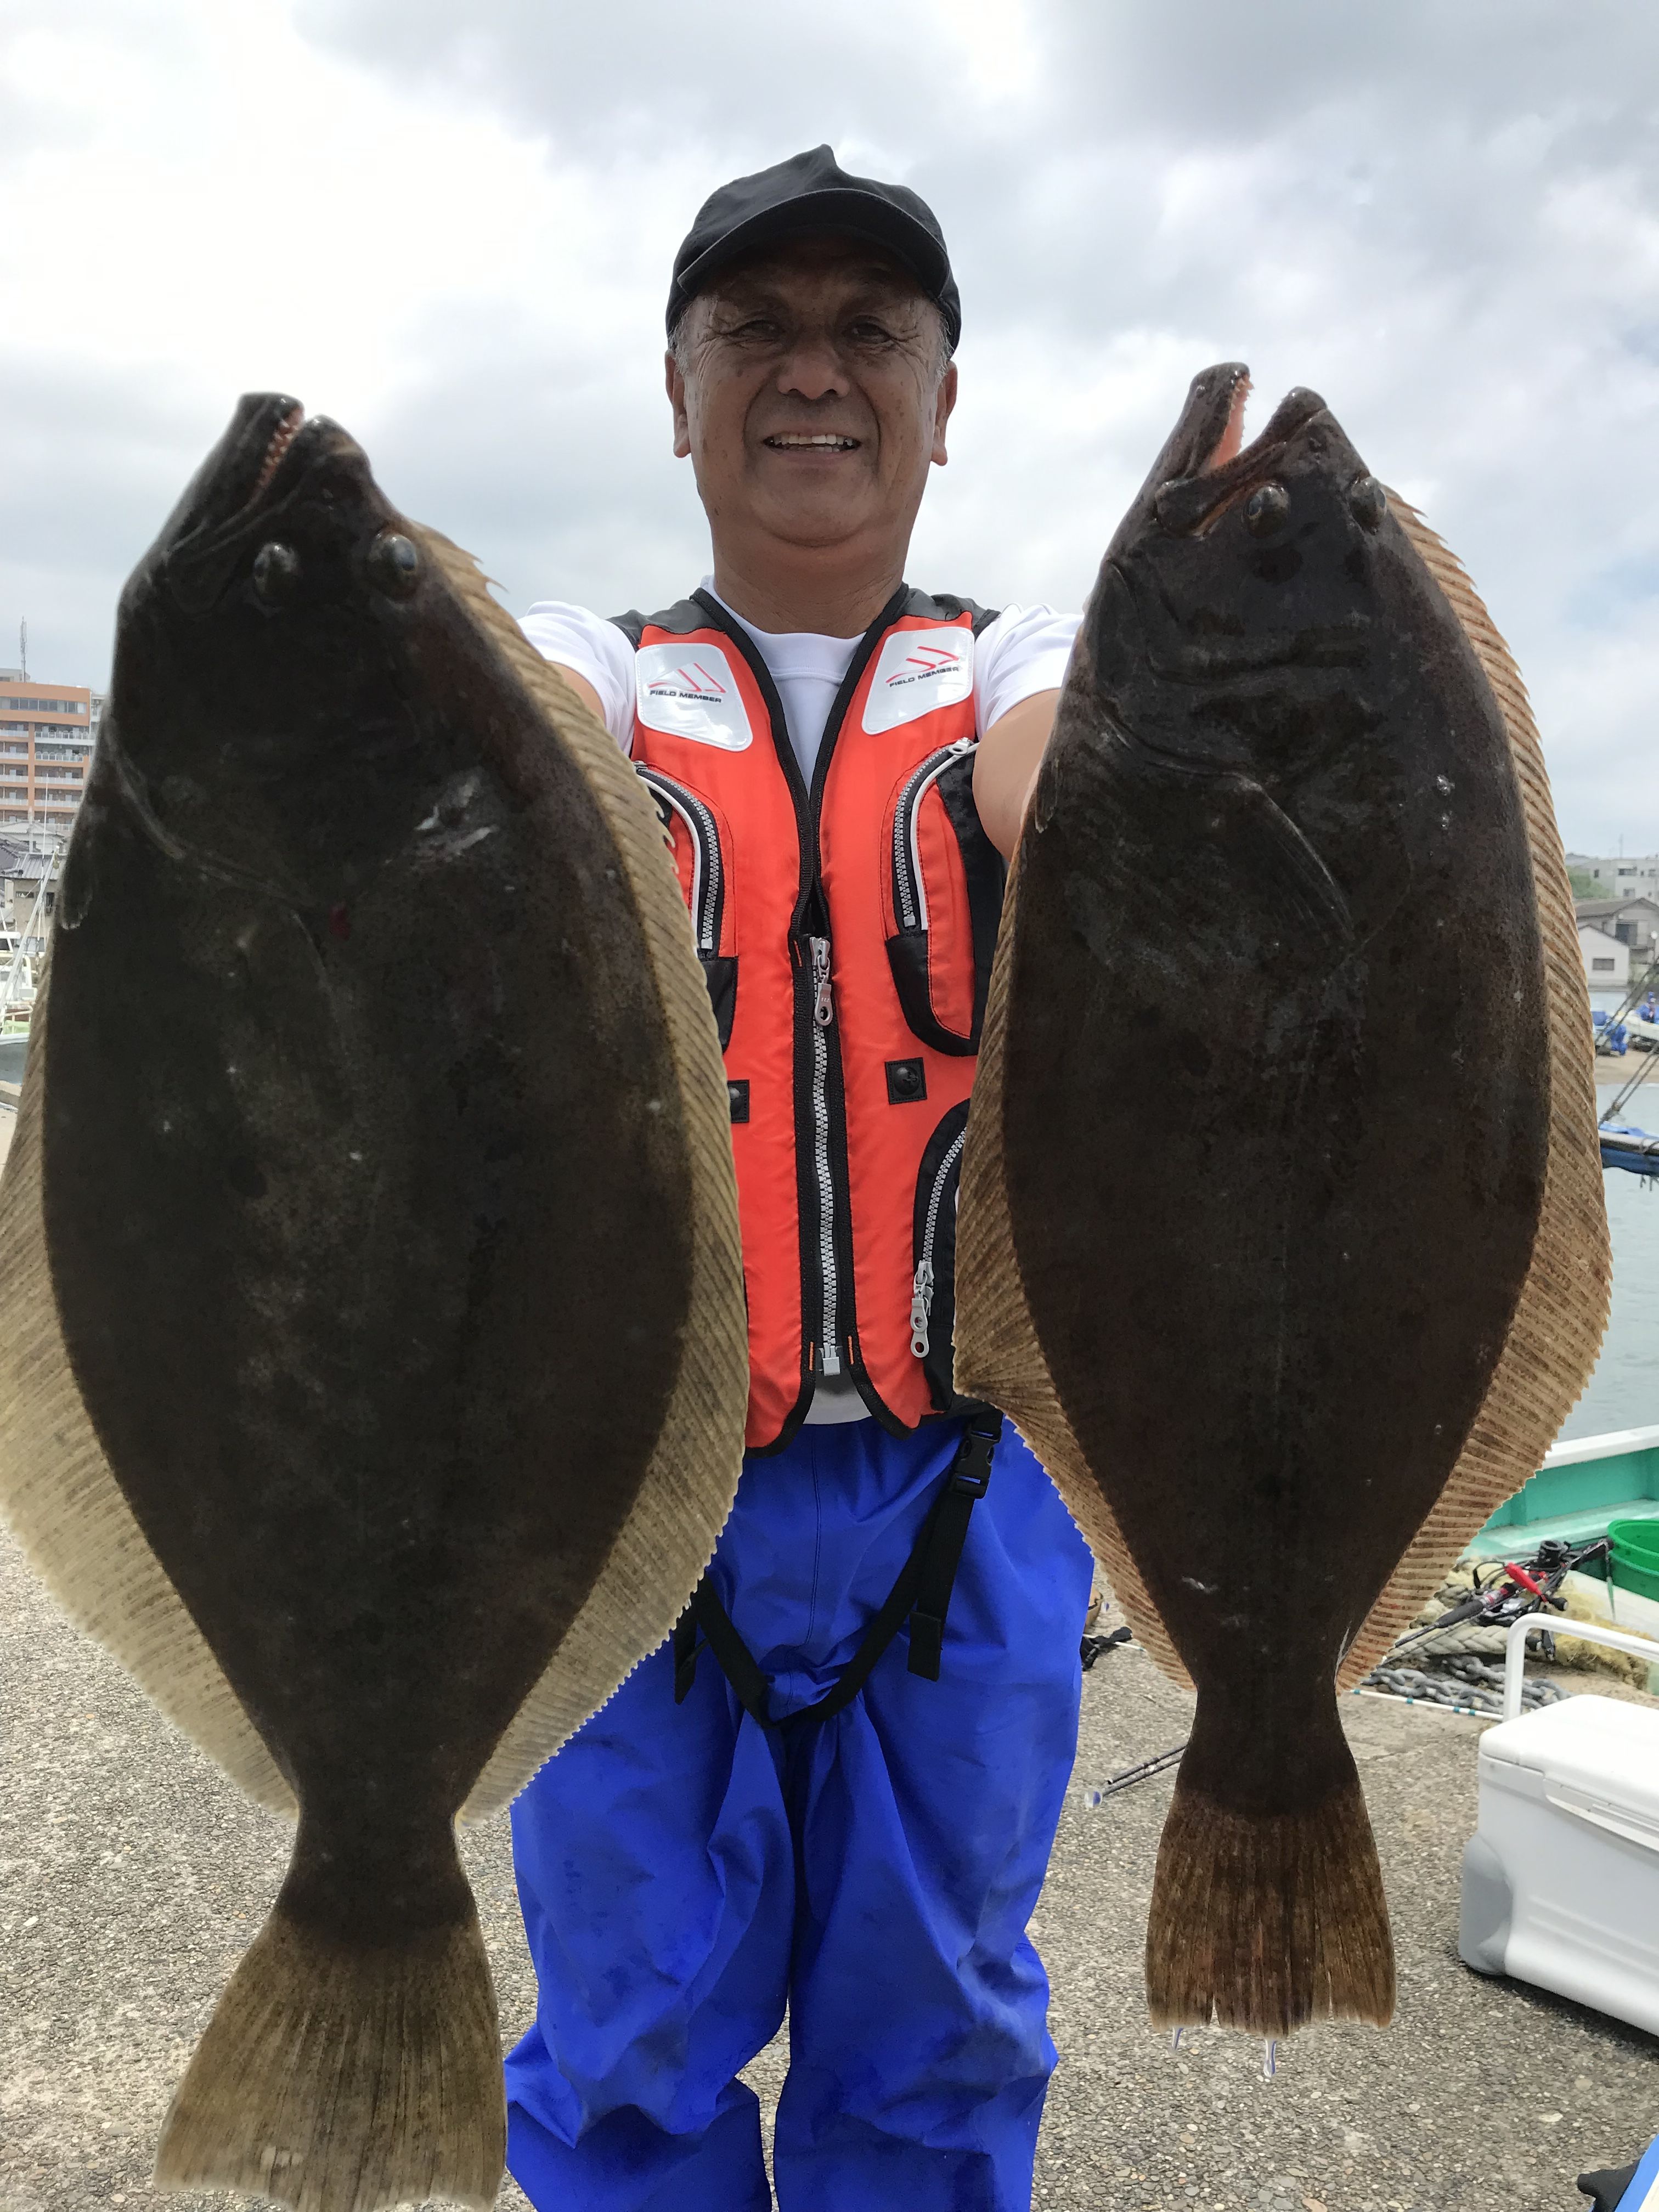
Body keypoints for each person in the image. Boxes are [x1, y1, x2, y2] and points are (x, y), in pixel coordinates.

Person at [505, 145, 1094, 2212]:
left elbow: (1064, 781)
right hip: (627, 1497)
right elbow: (515, 727)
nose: (814, 372)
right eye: (754, 330)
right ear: (678, 395)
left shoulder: (1020, 664)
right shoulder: (595, 667)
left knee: (940, 2036)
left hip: (967, 1486)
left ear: (946, 396)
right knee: (627, 2037)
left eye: (872, 332)